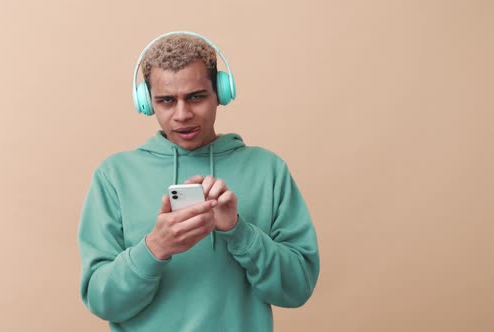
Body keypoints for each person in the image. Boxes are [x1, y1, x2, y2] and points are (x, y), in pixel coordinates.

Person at [78, 31, 319, 332]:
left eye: (196, 97)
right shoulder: (114, 176)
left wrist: (238, 230)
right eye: (166, 101)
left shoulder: (268, 169)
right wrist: (155, 247)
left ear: (221, 93)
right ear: (147, 102)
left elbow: (298, 290)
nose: (182, 114)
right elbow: (103, 303)